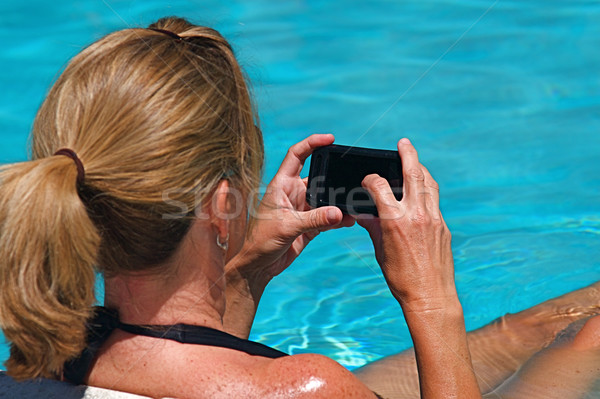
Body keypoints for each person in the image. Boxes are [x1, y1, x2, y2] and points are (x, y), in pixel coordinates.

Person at [0, 15, 595, 399]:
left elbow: (198, 367)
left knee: (532, 331)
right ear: (222, 202)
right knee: (588, 339)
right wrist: (430, 297)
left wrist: (243, 272)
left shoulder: (39, 363)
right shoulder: (310, 389)